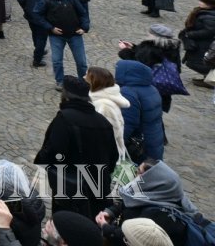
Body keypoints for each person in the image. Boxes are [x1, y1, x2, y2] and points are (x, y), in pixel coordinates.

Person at [34, 76, 119, 217]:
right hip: (99, 185)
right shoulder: (103, 122)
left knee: (67, 225)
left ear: (65, 95)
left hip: (70, 186)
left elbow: (54, 151)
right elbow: (113, 157)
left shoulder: (64, 119)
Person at [98, 160, 198, 246]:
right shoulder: (156, 195)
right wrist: (110, 212)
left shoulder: (158, 215)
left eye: (139, 173)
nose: (135, 176)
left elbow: (130, 239)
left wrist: (105, 227)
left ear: (151, 180)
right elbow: (128, 203)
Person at [30, 0, 89, 90]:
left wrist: (84, 27)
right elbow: (37, 16)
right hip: (56, 36)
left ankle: (83, 81)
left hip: (75, 35)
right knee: (57, 61)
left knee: (81, 62)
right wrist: (50, 28)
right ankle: (60, 81)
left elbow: (83, 13)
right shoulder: (43, 1)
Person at [115, 59, 165, 161]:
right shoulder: (152, 89)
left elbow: (126, 125)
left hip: (138, 150)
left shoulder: (128, 93)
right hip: (153, 143)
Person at [85, 67, 129, 146]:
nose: (84, 77)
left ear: (96, 81)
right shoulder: (97, 99)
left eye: (87, 76)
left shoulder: (104, 105)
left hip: (103, 153)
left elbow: (110, 133)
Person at [179, 0, 215, 88]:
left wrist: (190, 34)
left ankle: (209, 79)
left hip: (204, 43)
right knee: (195, 61)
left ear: (209, 5)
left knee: (198, 62)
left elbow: (209, 31)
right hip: (200, 42)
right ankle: (207, 78)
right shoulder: (201, 11)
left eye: (202, 1)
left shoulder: (210, 16)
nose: (200, 3)